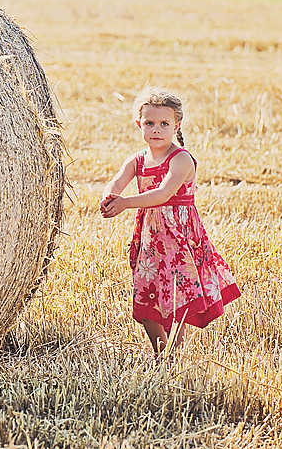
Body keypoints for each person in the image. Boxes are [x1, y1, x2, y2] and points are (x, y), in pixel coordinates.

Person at [100, 87, 240, 358]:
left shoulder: (181, 159)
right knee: (146, 291)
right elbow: (116, 180)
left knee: (180, 293)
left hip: (179, 235)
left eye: (164, 124)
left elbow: (164, 193)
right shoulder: (138, 159)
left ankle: (174, 349)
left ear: (176, 126)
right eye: (150, 123)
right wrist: (110, 195)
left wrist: (126, 203)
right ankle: (160, 351)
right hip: (151, 237)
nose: (156, 130)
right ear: (139, 125)